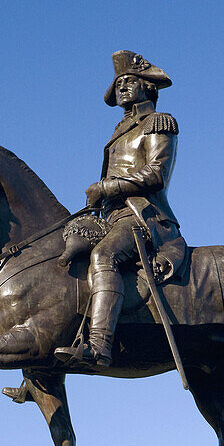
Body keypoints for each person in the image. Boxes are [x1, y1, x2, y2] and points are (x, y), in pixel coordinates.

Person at [55, 50, 186, 368]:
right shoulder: (119, 130)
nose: (122, 86)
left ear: (147, 86)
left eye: (130, 81)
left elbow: (156, 174)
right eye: (119, 83)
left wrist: (106, 188)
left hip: (142, 216)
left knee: (103, 256)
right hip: (111, 216)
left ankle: (99, 347)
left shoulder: (157, 122)